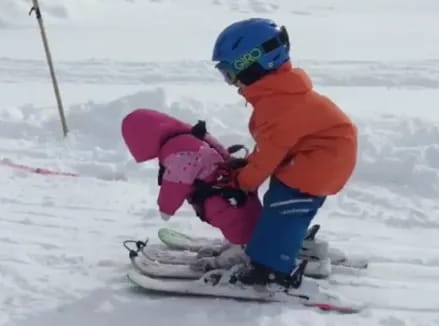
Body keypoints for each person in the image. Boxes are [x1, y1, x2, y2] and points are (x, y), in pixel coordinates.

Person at [212, 18, 358, 288]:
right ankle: (290, 242)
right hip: (313, 157)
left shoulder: (280, 105)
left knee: (285, 207)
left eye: (229, 72)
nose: (229, 82)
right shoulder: (279, 96)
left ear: (254, 63)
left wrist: (241, 183)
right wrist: (245, 168)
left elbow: (268, 156)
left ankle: (271, 269)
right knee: (284, 204)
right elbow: (270, 149)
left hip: (320, 163)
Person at [121, 108, 262, 269]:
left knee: (228, 217)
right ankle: (239, 243)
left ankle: (242, 251)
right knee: (240, 219)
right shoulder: (193, 135)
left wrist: (166, 207)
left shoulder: (179, 151)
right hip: (236, 192)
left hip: (223, 198)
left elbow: (175, 183)